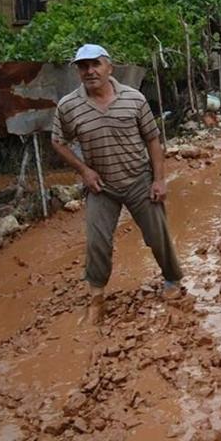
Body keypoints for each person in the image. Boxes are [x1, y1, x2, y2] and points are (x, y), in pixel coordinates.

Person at [51, 44, 182, 324]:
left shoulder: (133, 99)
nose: (89, 71)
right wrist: (84, 170)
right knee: (97, 242)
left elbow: (153, 139)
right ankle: (96, 297)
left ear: (109, 67)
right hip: (101, 186)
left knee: (157, 235)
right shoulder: (69, 106)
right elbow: (57, 142)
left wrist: (159, 180)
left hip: (138, 180)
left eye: (95, 64)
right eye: (83, 66)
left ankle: (172, 279)